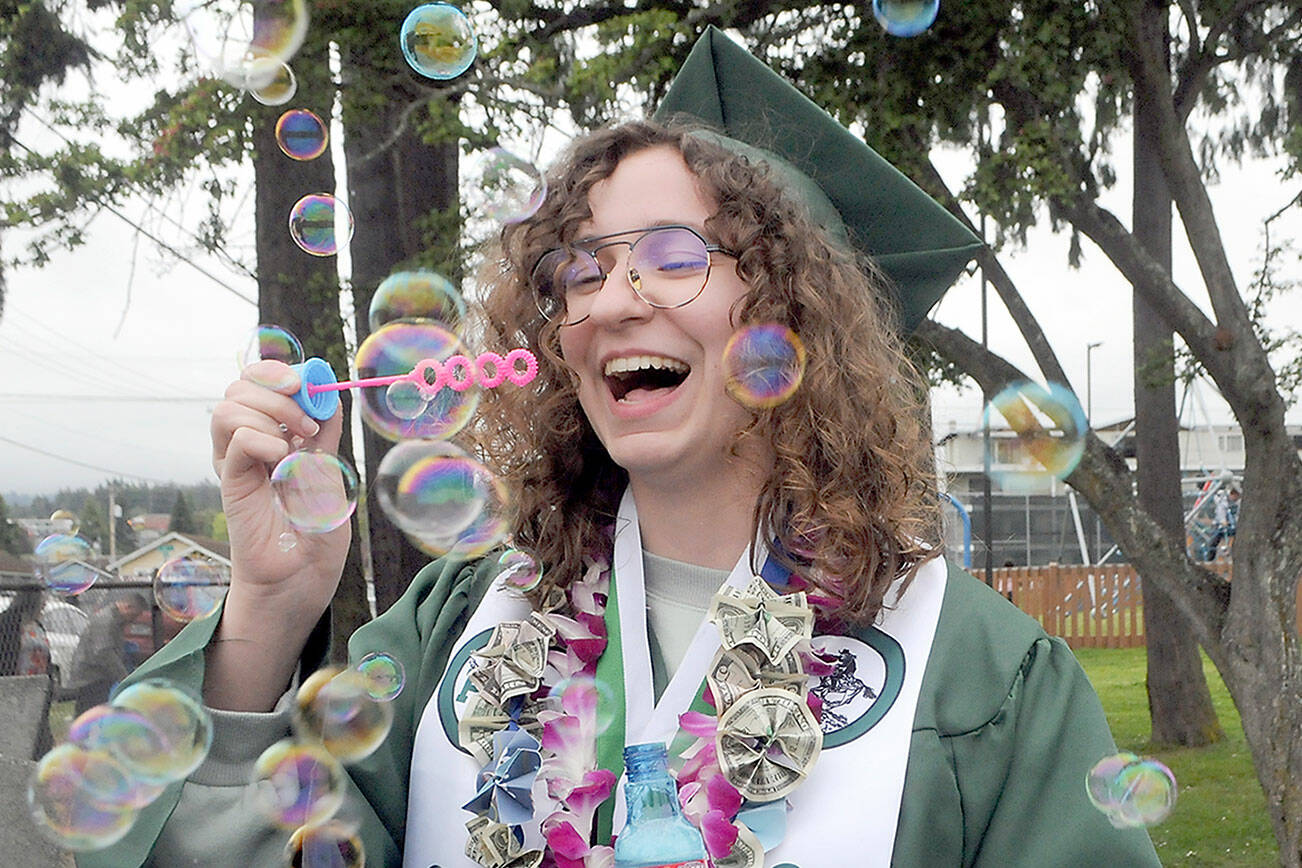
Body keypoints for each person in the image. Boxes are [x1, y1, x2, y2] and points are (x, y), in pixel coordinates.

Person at [84, 28, 1159, 868]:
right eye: (581, 270)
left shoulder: (977, 677)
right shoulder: (450, 638)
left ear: (794, 315)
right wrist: (270, 611)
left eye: (673, 255)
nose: (611, 301)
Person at [65, 593, 148, 715]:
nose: (134, 620)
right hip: (91, 677)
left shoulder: (115, 620)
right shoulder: (106, 621)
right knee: (89, 711)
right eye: (134, 614)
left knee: (96, 711)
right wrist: (123, 676)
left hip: (100, 675)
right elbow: (103, 652)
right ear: (127, 607)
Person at [1204, 487, 1240, 561]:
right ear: (1232, 494)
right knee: (1215, 538)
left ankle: (1231, 553)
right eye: (1236, 496)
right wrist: (1223, 521)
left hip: (1231, 525)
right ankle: (1210, 558)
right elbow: (1221, 510)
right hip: (1220, 524)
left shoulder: (1236, 503)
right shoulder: (1223, 500)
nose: (1236, 498)